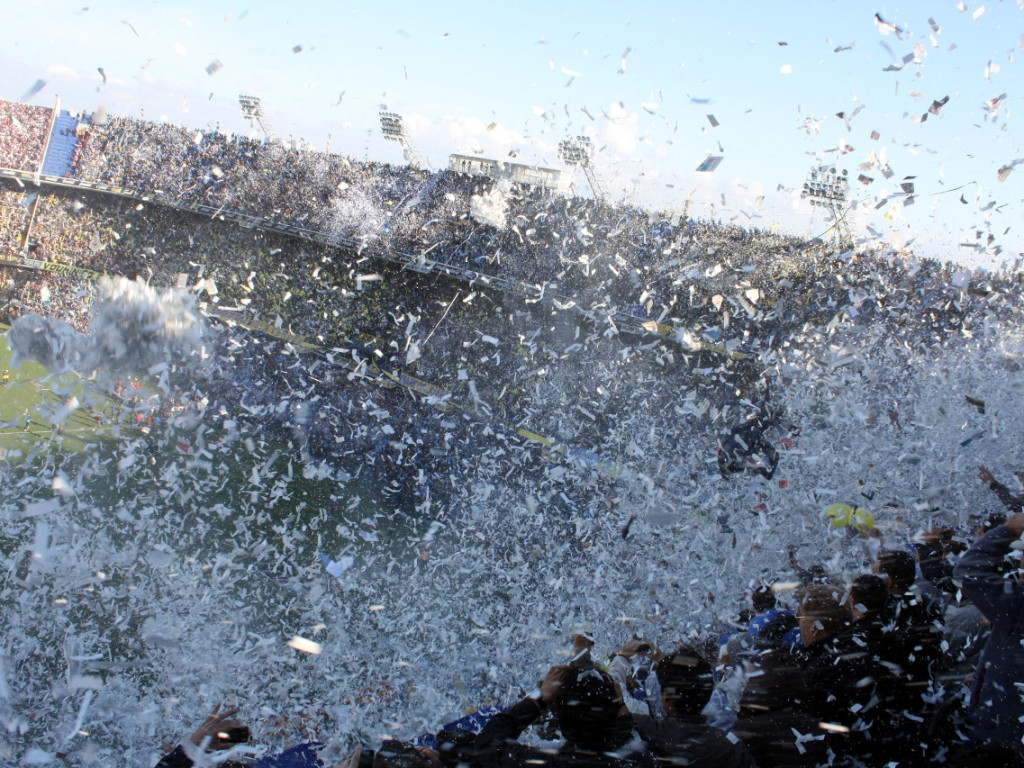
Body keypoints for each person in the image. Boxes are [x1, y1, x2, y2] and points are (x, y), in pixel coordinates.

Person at [471, 664, 652, 768]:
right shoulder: (640, 758)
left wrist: (538, 699)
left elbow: (487, 745)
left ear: (560, 719)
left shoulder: (545, 763)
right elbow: (629, 733)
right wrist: (617, 704)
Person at [952, 512, 1024, 753]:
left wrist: (1007, 532)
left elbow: (969, 571)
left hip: (1004, 730)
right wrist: (987, 670)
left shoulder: (1017, 607)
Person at [633, 646, 755, 768]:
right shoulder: (728, 746)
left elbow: (616, 709)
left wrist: (622, 658)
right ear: (707, 695)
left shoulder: (647, 733)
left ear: (665, 698)